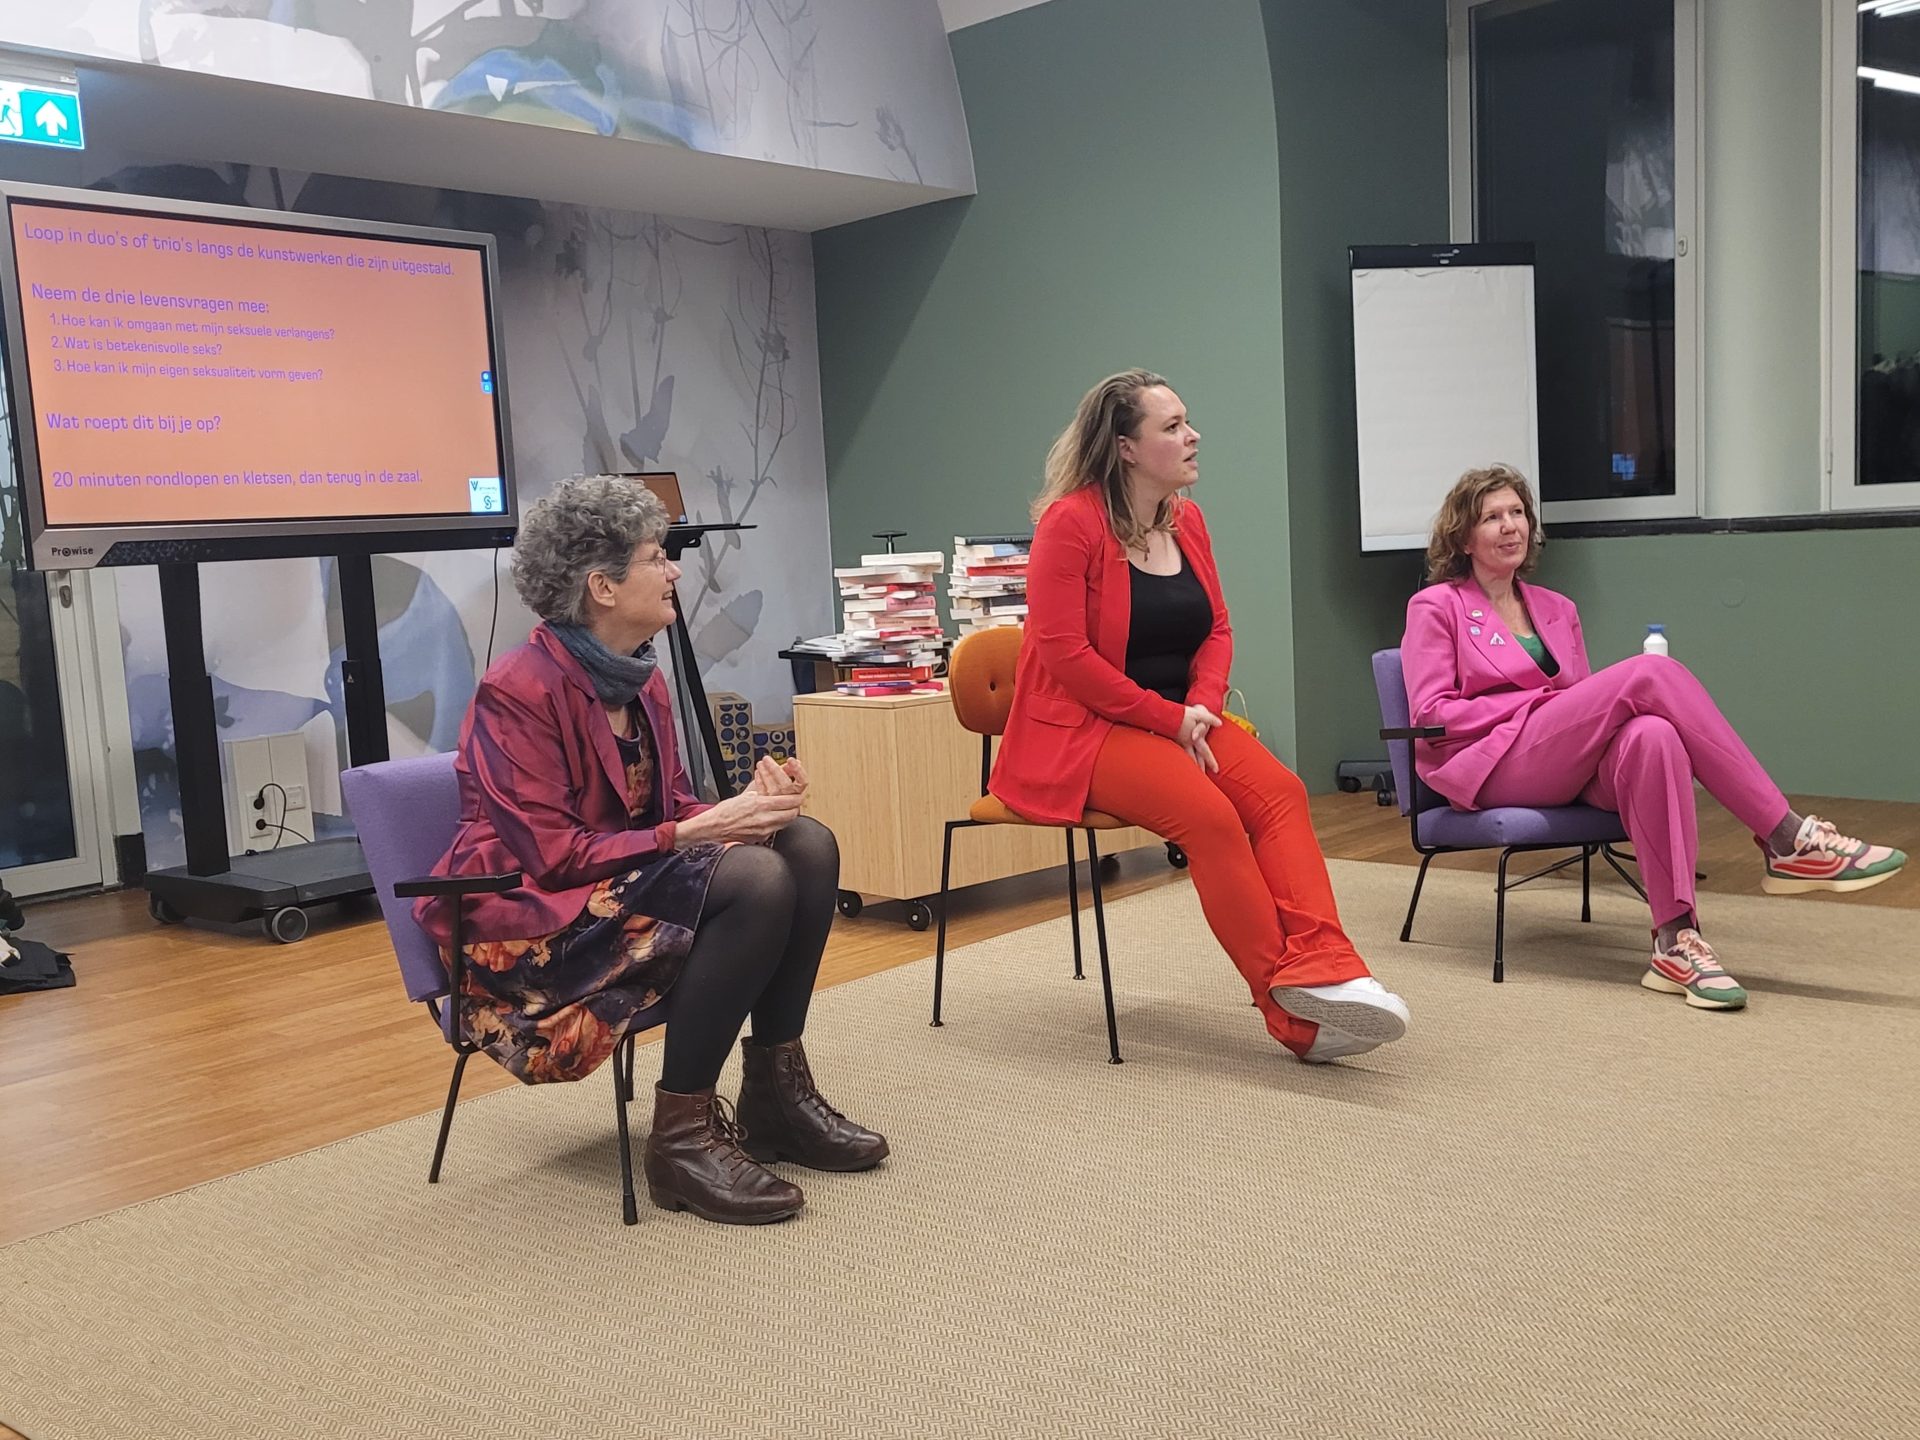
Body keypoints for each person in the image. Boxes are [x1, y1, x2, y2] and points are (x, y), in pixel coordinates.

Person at [417, 474, 886, 1225]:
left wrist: (748, 810)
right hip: (535, 927)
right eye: (656, 558)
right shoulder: (518, 690)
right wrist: (702, 830)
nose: (674, 572)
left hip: (615, 888)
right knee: (758, 880)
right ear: (602, 587)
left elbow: (668, 809)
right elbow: (552, 856)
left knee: (804, 843)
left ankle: (776, 1097)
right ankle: (682, 1138)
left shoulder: (641, 680)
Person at [989, 369, 1412, 1064]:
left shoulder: (1187, 520)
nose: (1193, 436)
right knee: (1211, 819)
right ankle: (1294, 1021)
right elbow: (1066, 657)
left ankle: (1326, 969)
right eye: (1173, 426)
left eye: (1186, 422)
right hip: (1084, 731)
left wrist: (1203, 706)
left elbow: (1216, 627)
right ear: (1126, 447)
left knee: (1281, 793)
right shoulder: (1071, 524)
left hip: (1180, 720)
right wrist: (1168, 719)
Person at [1401, 463, 1906, 1010]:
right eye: (1492, 517)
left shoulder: (1557, 608)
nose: (1510, 526)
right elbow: (1431, 714)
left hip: (1557, 759)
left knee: (1652, 735)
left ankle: (1675, 939)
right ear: (1464, 537)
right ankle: (1786, 836)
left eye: (1518, 513)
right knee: (1650, 673)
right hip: (1492, 764)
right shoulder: (1436, 606)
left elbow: (1579, 708)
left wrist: (1559, 710)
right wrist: (1535, 706)